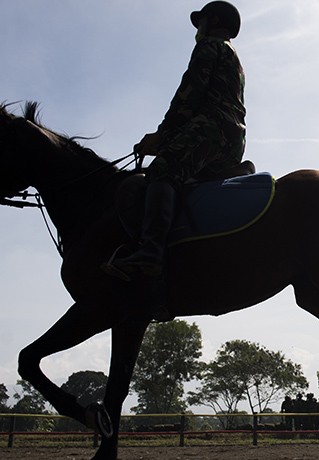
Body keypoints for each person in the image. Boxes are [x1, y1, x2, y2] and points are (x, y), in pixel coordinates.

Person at [105, 1, 246, 282]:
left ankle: (151, 252)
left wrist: (161, 136)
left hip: (211, 130)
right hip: (231, 140)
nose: (197, 29)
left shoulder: (210, 46)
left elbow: (189, 95)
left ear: (213, 21)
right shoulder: (234, 57)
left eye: (201, 22)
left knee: (162, 170)